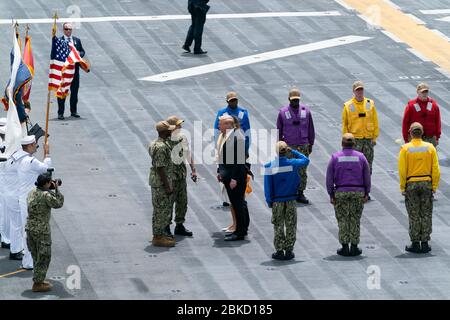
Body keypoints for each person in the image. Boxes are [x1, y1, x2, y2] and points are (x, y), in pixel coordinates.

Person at [326, 133, 371, 257]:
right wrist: (367, 192)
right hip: (358, 192)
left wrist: (331, 194)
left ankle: (345, 247)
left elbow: (329, 178)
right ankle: (355, 246)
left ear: (342, 144)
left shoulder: (335, 157)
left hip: (341, 192)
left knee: (343, 220)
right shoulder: (361, 157)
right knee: (355, 219)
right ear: (354, 144)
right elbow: (367, 176)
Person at [264, 141, 309, 260]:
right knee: (291, 225)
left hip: (277, 201)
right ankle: (289, 250)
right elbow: (306, 160)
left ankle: (279, 250)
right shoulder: (293, 163)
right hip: (291, 199)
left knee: (278, 225)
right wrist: (293, 151)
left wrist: (270, 201)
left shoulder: (269, 166)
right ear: (286, 151)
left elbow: (268, 187)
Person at [399, 122, 440, 253]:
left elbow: (402, 170)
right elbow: (436, 169)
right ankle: (425, 242)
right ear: (422, 133)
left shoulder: (405, 148)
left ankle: (415, 243)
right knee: (426, 213)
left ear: (410, 133)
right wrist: (434, 186)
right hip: (426, 182)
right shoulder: (430, 148)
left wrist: (403, 187)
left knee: (414, 214)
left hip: (411, 183)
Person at [18, 136, 51, 270]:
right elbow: (46, 169)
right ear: (30, 146)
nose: (36, 146)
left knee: (26, 229)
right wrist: (47, 153)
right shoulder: (31, 161)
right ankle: (29, 261)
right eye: (35, 144)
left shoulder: (21, 159)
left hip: (23, 198)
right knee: (31, 232)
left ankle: (28, 258)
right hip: (31, 201)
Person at [26, 173, 64, 292]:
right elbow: (58, 203)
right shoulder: (46, 195)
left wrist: (49, 188)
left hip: (30, 228)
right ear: (46, 183)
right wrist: (56, 188)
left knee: (36, 255)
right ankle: (37, 284)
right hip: (42, 231)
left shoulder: (32, 192)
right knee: (44, 257)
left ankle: (39, 279)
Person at [276, 88, 315, 204]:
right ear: (289, 99)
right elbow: (279, 129)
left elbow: (310, 128)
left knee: (302, 171)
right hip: (289, 146)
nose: (295, 102)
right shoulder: (283, 113)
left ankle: (300, 192)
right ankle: (290, 191)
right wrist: (279, 145)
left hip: (303, 145)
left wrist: (311, 143)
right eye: (293, 100)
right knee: (289, 169)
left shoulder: (306, 111)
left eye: (297, 100)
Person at [214, 91, 251, 208]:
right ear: (227, 102)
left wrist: (246, 149)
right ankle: (226, 198)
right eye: (231, 101)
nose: (233, 102)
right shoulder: (222, 113)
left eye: (235, 100)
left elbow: (247, 132)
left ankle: (241, 196)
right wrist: (218, 149)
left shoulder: (243, 113)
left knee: (240, 173)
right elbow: (217, 132)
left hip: (238, 148)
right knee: (223, 173)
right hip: (225, 149)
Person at [217, 115, 249, 241]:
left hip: (235, 177)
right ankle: (242, 228)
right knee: (238, 204)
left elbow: (239, 161)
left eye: (221, 124)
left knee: (238, 204)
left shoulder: (237, 137)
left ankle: (240, 232)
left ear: (228, 125)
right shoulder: (228, 136)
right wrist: (220, 171)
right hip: (228, 175)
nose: (218, 126)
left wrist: (234, 179)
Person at [165, 116, 196, 237]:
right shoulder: (165, 141)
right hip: (170, 177)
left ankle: (179, 225)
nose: (181, 127)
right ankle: (166, 226)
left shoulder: (182, 137)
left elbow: (188, 153)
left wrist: (193, 169)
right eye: (178, 125)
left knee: (182, 201)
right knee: (169, 203)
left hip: (181, 175)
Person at [149, 121, 177, 247]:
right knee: (161, 209)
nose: (171, 131)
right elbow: (160, 167)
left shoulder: (155, 143)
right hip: (161, 183)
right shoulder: (161, 147)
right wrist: (167, 185)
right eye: (169, 130)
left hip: (156, 181)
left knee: (158, 209)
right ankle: (158, 237)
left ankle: (159, 233)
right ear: (163, 132)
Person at [342, 81, 379, 177]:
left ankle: (366, 187)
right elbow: (345, 125)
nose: (359, 92)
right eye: (357, 90)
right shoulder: (348, 106)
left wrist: (374, 138)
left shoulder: (370, 103)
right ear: (354, 91)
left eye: (361, 89)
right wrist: (346, 141)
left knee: (368, 165)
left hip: (368, 139)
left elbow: (375, 121)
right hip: (355, 140)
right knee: (355, 165)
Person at [4, 144, 29, 260]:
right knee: (18, 226)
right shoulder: (18, 166)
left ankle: (16, 249)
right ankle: (16, 250)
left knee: (15, 225)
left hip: (8, 197)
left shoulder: (9, 163)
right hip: (15, 198)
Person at [57, 22, 86, 120]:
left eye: (70, 29)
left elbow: (82, 51)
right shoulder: (59, 41)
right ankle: (60, 113)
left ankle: (73, 111)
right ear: (63, 30)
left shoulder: (76, 41)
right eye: (66, 29)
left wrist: (79, 54)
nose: (68, 31)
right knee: (62, 92)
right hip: (64, 72)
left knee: (74, 92)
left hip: (74, 71)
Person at [402, 83, 441, 147]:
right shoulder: (411, 106)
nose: (424, 94)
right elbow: (405, 122)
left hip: (430, 139)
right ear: (417, 92)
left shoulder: (434, 105)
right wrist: (406, 139)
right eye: (422, 92)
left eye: (426, 91)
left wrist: (437, 137)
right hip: (415, 139)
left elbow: (437, 121)